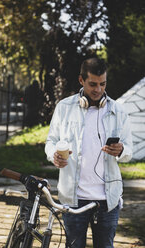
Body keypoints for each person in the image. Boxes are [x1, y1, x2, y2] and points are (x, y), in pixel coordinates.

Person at [45, 57, 132, 248]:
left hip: (107, 201)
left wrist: (122, 149)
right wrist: (54, 155)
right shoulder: (64, 108)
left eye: (103, 84)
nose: (98, 89)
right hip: (74, 199)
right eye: (93, 84)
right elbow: (50, 141)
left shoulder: (118, 111)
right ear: (81, 80)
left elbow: (129, 150)